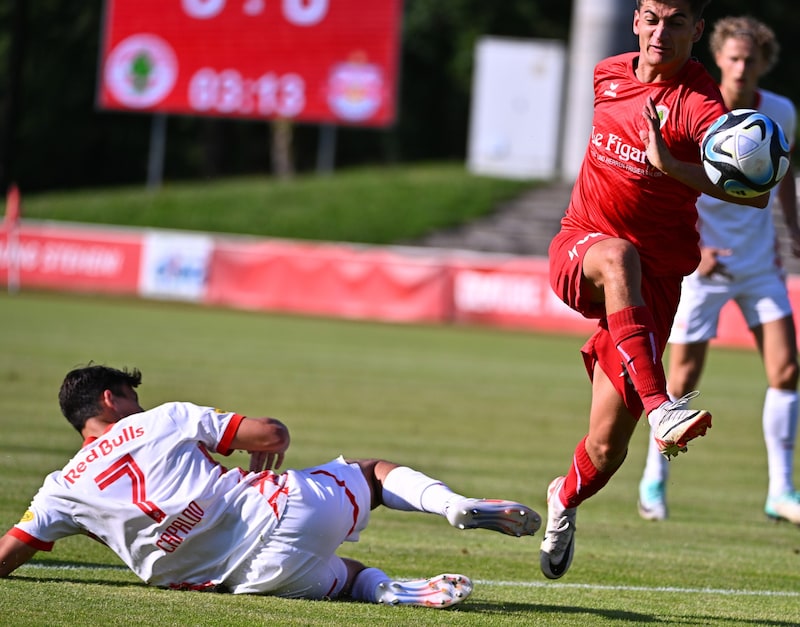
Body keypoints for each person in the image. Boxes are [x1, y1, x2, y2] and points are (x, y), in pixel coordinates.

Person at [541, 0, 772, 580]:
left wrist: (669, 164)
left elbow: (756, 193)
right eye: (650, 16)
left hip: (656, 284)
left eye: (675, 22)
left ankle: (561, 501)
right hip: (582, 247)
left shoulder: (700, 106)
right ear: (636, 21)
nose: (659, 31)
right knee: (618, 255)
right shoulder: (606, 74)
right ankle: (660, 406)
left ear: (696, 30)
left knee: (604, 450)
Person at [0, 364, 541, 608]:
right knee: (372, 473)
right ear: (111, 401)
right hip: (283, 512)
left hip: (246, 577)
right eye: (130, 397)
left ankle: (390, 590)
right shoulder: (161, 418)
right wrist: (266, 444)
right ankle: (455, 505)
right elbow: (272, 433)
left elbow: (7, 556)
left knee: (347, 579)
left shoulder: (57, 491)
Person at [637, 16, 800, 524]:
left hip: (758, 262)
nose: (741, 67)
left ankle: (781, 490)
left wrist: (792, 231)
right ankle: (654, 480)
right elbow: (671, 180)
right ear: (720, 58)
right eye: (732, 57)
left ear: (763, 64)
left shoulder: (781, 112)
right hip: (702, 265)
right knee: (682, 379)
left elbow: (782, 174)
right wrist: (696, 248)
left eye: (750, 59)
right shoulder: (699, 109)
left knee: (787, 370)